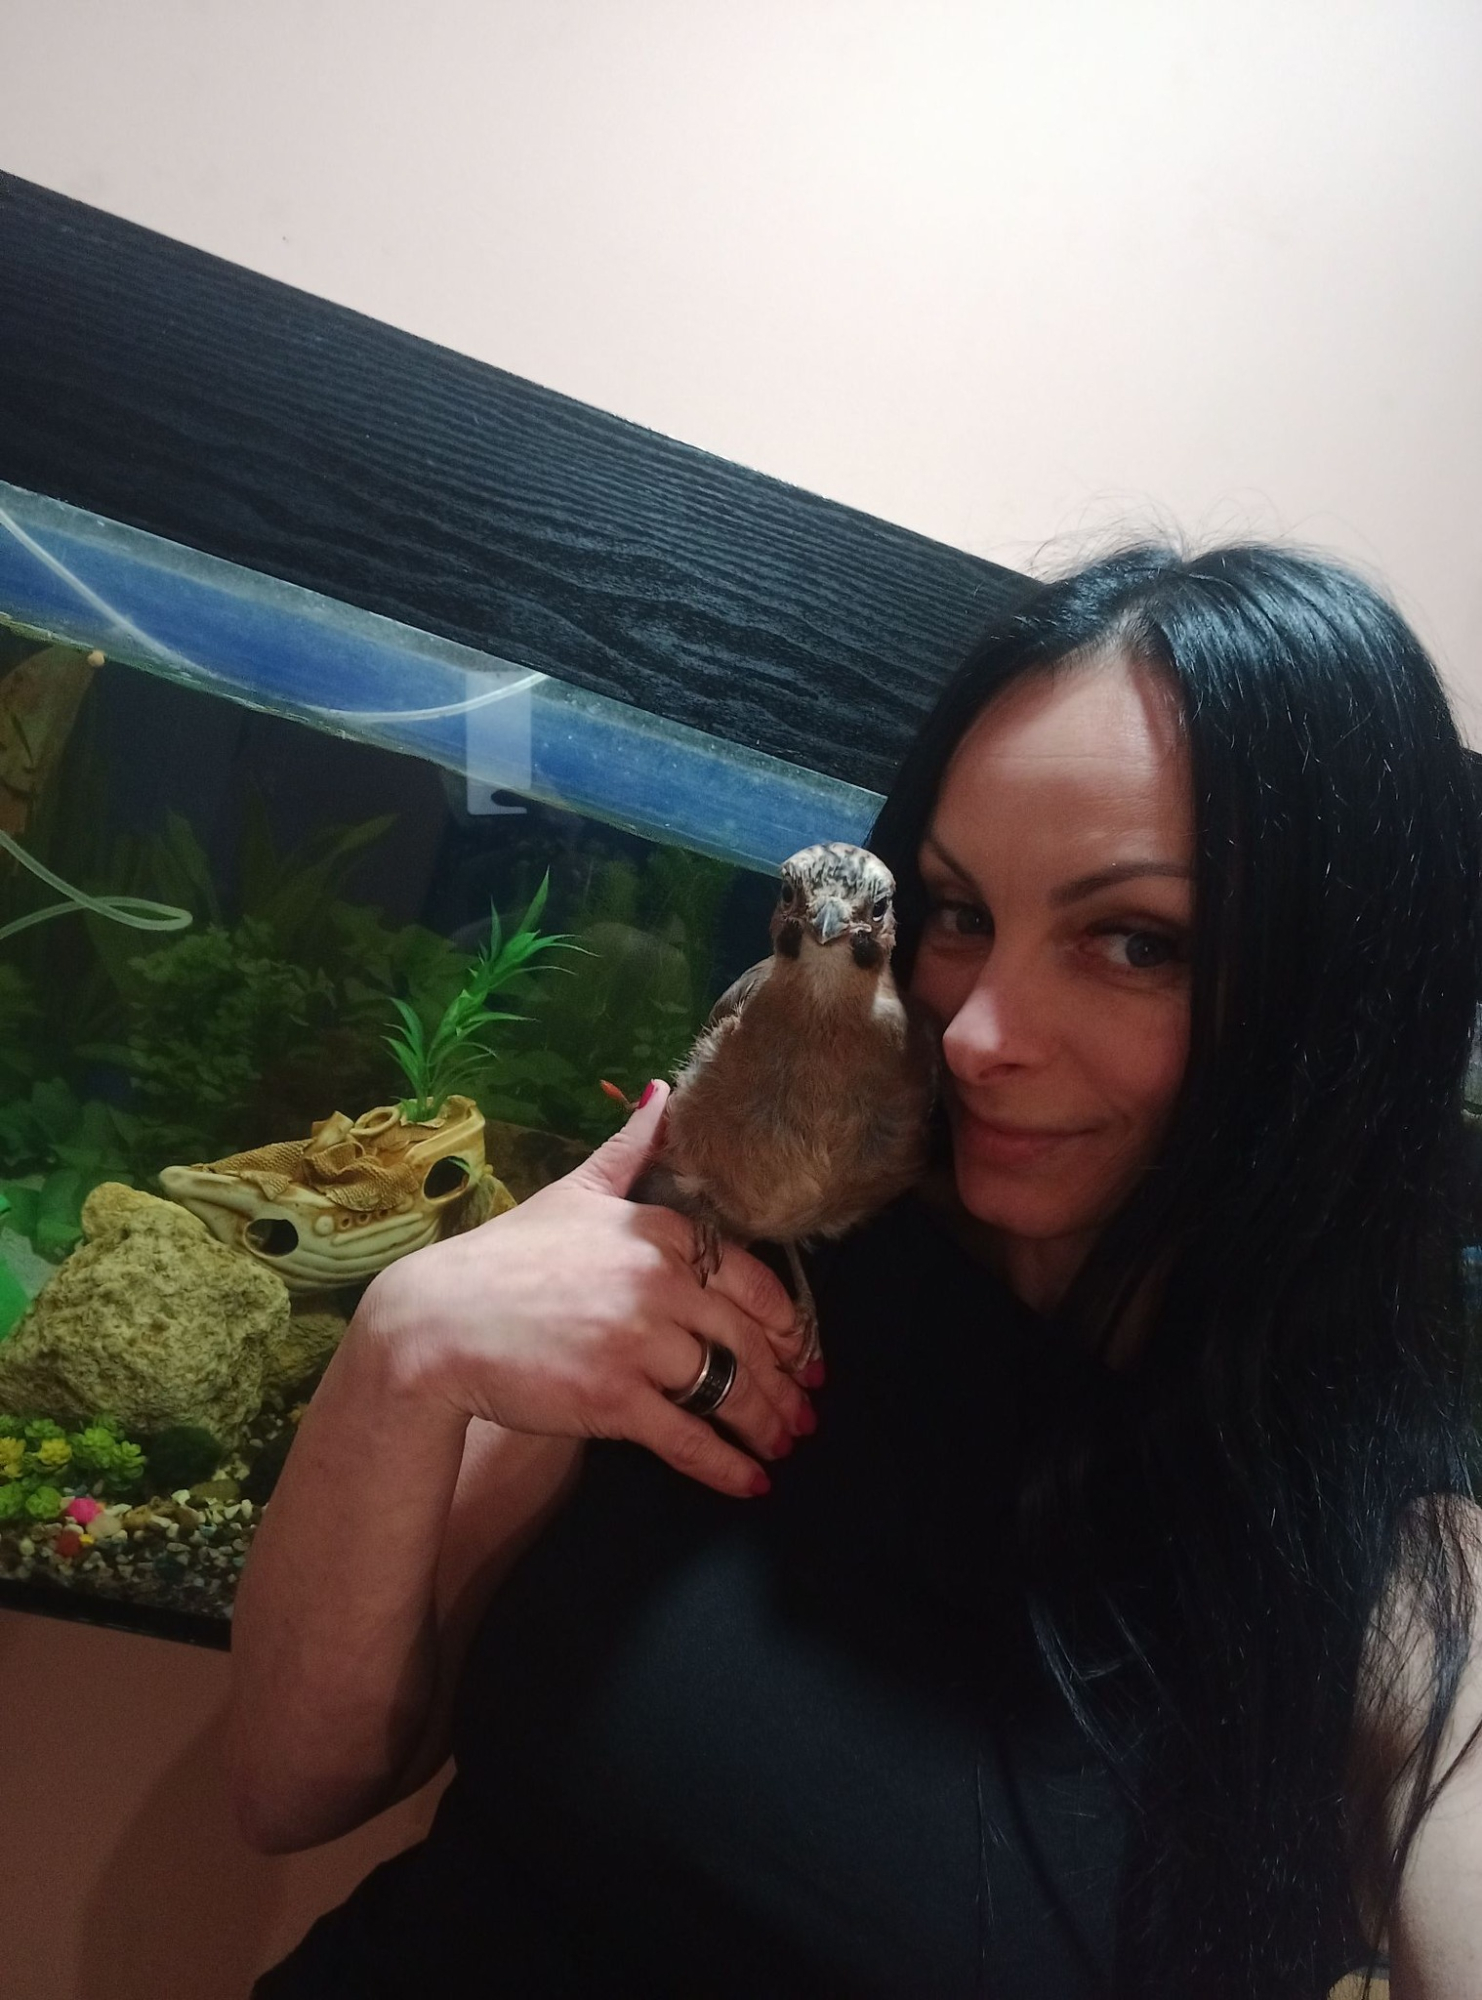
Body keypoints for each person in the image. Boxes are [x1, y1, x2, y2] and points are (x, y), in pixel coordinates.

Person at [232, 545, 1482, 1999]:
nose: (976, 1033)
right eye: (960, 913)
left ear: (1339, 995)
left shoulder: (1399, 1568)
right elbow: (288, 1785)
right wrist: (405, 1346)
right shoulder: (733, 1255)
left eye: (1135, 941)